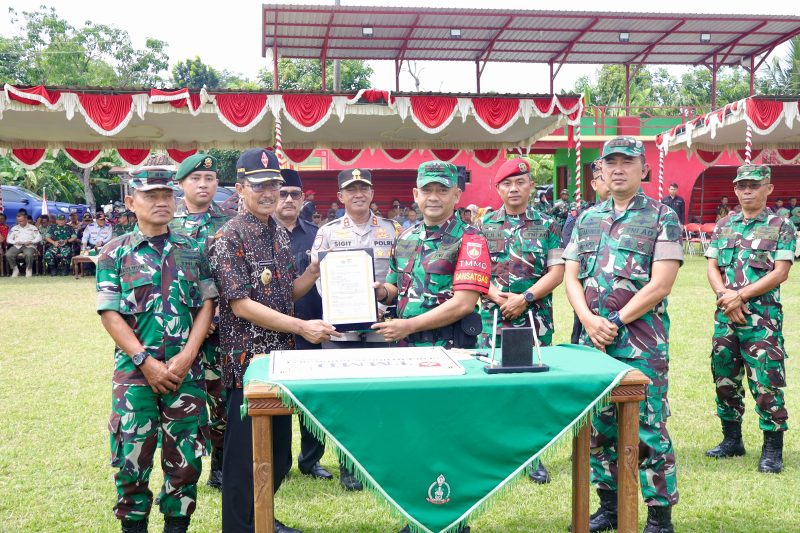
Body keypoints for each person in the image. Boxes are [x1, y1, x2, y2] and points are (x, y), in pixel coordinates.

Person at [209, 148, 339, 533]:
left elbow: (286, 294)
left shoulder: (279, 233)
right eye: (260, 186)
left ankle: (261, 519)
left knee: (278, 456)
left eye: (274, 186)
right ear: (240, 189)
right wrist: (301, 327)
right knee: (243, 462)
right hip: (247, 367)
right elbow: (242, 305)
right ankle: (240, 527)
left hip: (281, 363)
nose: (269, 193)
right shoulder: (229, 236)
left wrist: (314, 271)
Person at [563, 136, 682, 533]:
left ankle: (659, 516)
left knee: (648, 429)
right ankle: (609, 506)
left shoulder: (662, 217)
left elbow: (661, 283)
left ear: (643, 169)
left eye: (627, 162)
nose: (617, 169)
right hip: (592, 342)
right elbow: (571, 277)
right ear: (600, 169)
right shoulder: (586, 218)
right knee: (598, 429)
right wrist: (588, 320)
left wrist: (612, 321)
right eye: (610, 162)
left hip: (641, 344)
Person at [96, 169, 217, 533]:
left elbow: (206, 305)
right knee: (131, 457)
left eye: (167, 195)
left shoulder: (192, 250)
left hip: (186, 373)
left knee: (187, 460)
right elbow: (109, 313)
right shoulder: (114, 252)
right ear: (131, 202)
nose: (161, 202)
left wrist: (188, 355)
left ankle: (177, 526)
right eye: (151, 196)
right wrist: (144, 361)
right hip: (135, 375)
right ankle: (133, 526)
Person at [310, 167, 401, 491]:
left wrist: (381, 301)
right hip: (341, 330)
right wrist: (341, 308)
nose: (358, 194)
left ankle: (375, 463)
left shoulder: (393, 230)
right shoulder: (328, 233)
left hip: (379, 327)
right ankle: (347, 465)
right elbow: (320, 280)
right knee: (345, 398)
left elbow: (399, 276)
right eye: (351, 189)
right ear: (340, 196)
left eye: (364, 188)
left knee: (379, 396)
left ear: (372, 193)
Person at [477, 158, 564, 485]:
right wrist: (496, 296)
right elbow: (474, 270)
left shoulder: (549, 224)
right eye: (506, 184)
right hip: (493, 318)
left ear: (531, 186)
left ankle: (532, 455)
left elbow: (557, 271)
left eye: (520, 182)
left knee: (531, 386)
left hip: (533, 318)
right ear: (498, 188)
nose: (513, 189)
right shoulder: (484, 225)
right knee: (491, 383)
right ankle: (494, 451)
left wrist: (525, 298)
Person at [704, 164, 794, 474]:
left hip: (762, 320)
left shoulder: (781, 225)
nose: (746, 191)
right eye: (741, 185)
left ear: (768, 188)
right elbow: (712, 266)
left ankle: (772, 448)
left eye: (754, 185)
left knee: (766, 380)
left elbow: (780, 272)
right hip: (725, 316)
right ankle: (732, 440)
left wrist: (740, 296)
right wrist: (724, 296)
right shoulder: (725, 225)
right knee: (724, 376)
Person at [373, 161, 490, 350]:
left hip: (449, 348)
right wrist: (381, 292)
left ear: (456, 195)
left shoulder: (471, 239)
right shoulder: (405, 237)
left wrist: (408, 326)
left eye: (442, 190)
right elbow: (395, 287)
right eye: (426, 190)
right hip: (404, 346)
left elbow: (464, 304)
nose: (433, 197)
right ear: (416, 194)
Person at [169, 153, 233, 491]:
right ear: (182, 184)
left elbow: (235, 277)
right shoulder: (167, 224)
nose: (203, 184)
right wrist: (194, 320)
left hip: (222, 328)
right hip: (178, 328)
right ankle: (182, 469)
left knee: (221, 399)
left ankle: (220, 465)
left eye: (209, 179)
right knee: (182, 400)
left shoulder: (231, 223)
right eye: (195, 179)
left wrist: (215, 315)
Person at [273, 168, 333, 482]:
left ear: (303, 199)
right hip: (274, 329)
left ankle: (311, 460)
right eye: (282, 193)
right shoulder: (262, 234)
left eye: (294, 194)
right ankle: (279, 461)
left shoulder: (318, 235)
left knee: (314, 398)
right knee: (277, 398)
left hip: (313, 324)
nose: (288, 200)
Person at [565, 159, 610, 345]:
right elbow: (571, 268)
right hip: (587, 309)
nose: (609, 182)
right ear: (594, 184)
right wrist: (585, 316)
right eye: (602, 178)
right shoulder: (582, 218)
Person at [6, 211, 42, 277]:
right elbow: (8, 239)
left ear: (26, 219)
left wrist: (31, 241)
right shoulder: (14, 228)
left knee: (28, 254)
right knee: (8, 254)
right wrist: (15, 242)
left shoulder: (33, 227)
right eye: (18, 221)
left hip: (29, 245)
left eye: (21, 221)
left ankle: (28, 269)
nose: (20, 222)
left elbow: (39, 238)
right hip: (17, 245)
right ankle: (15, 270)